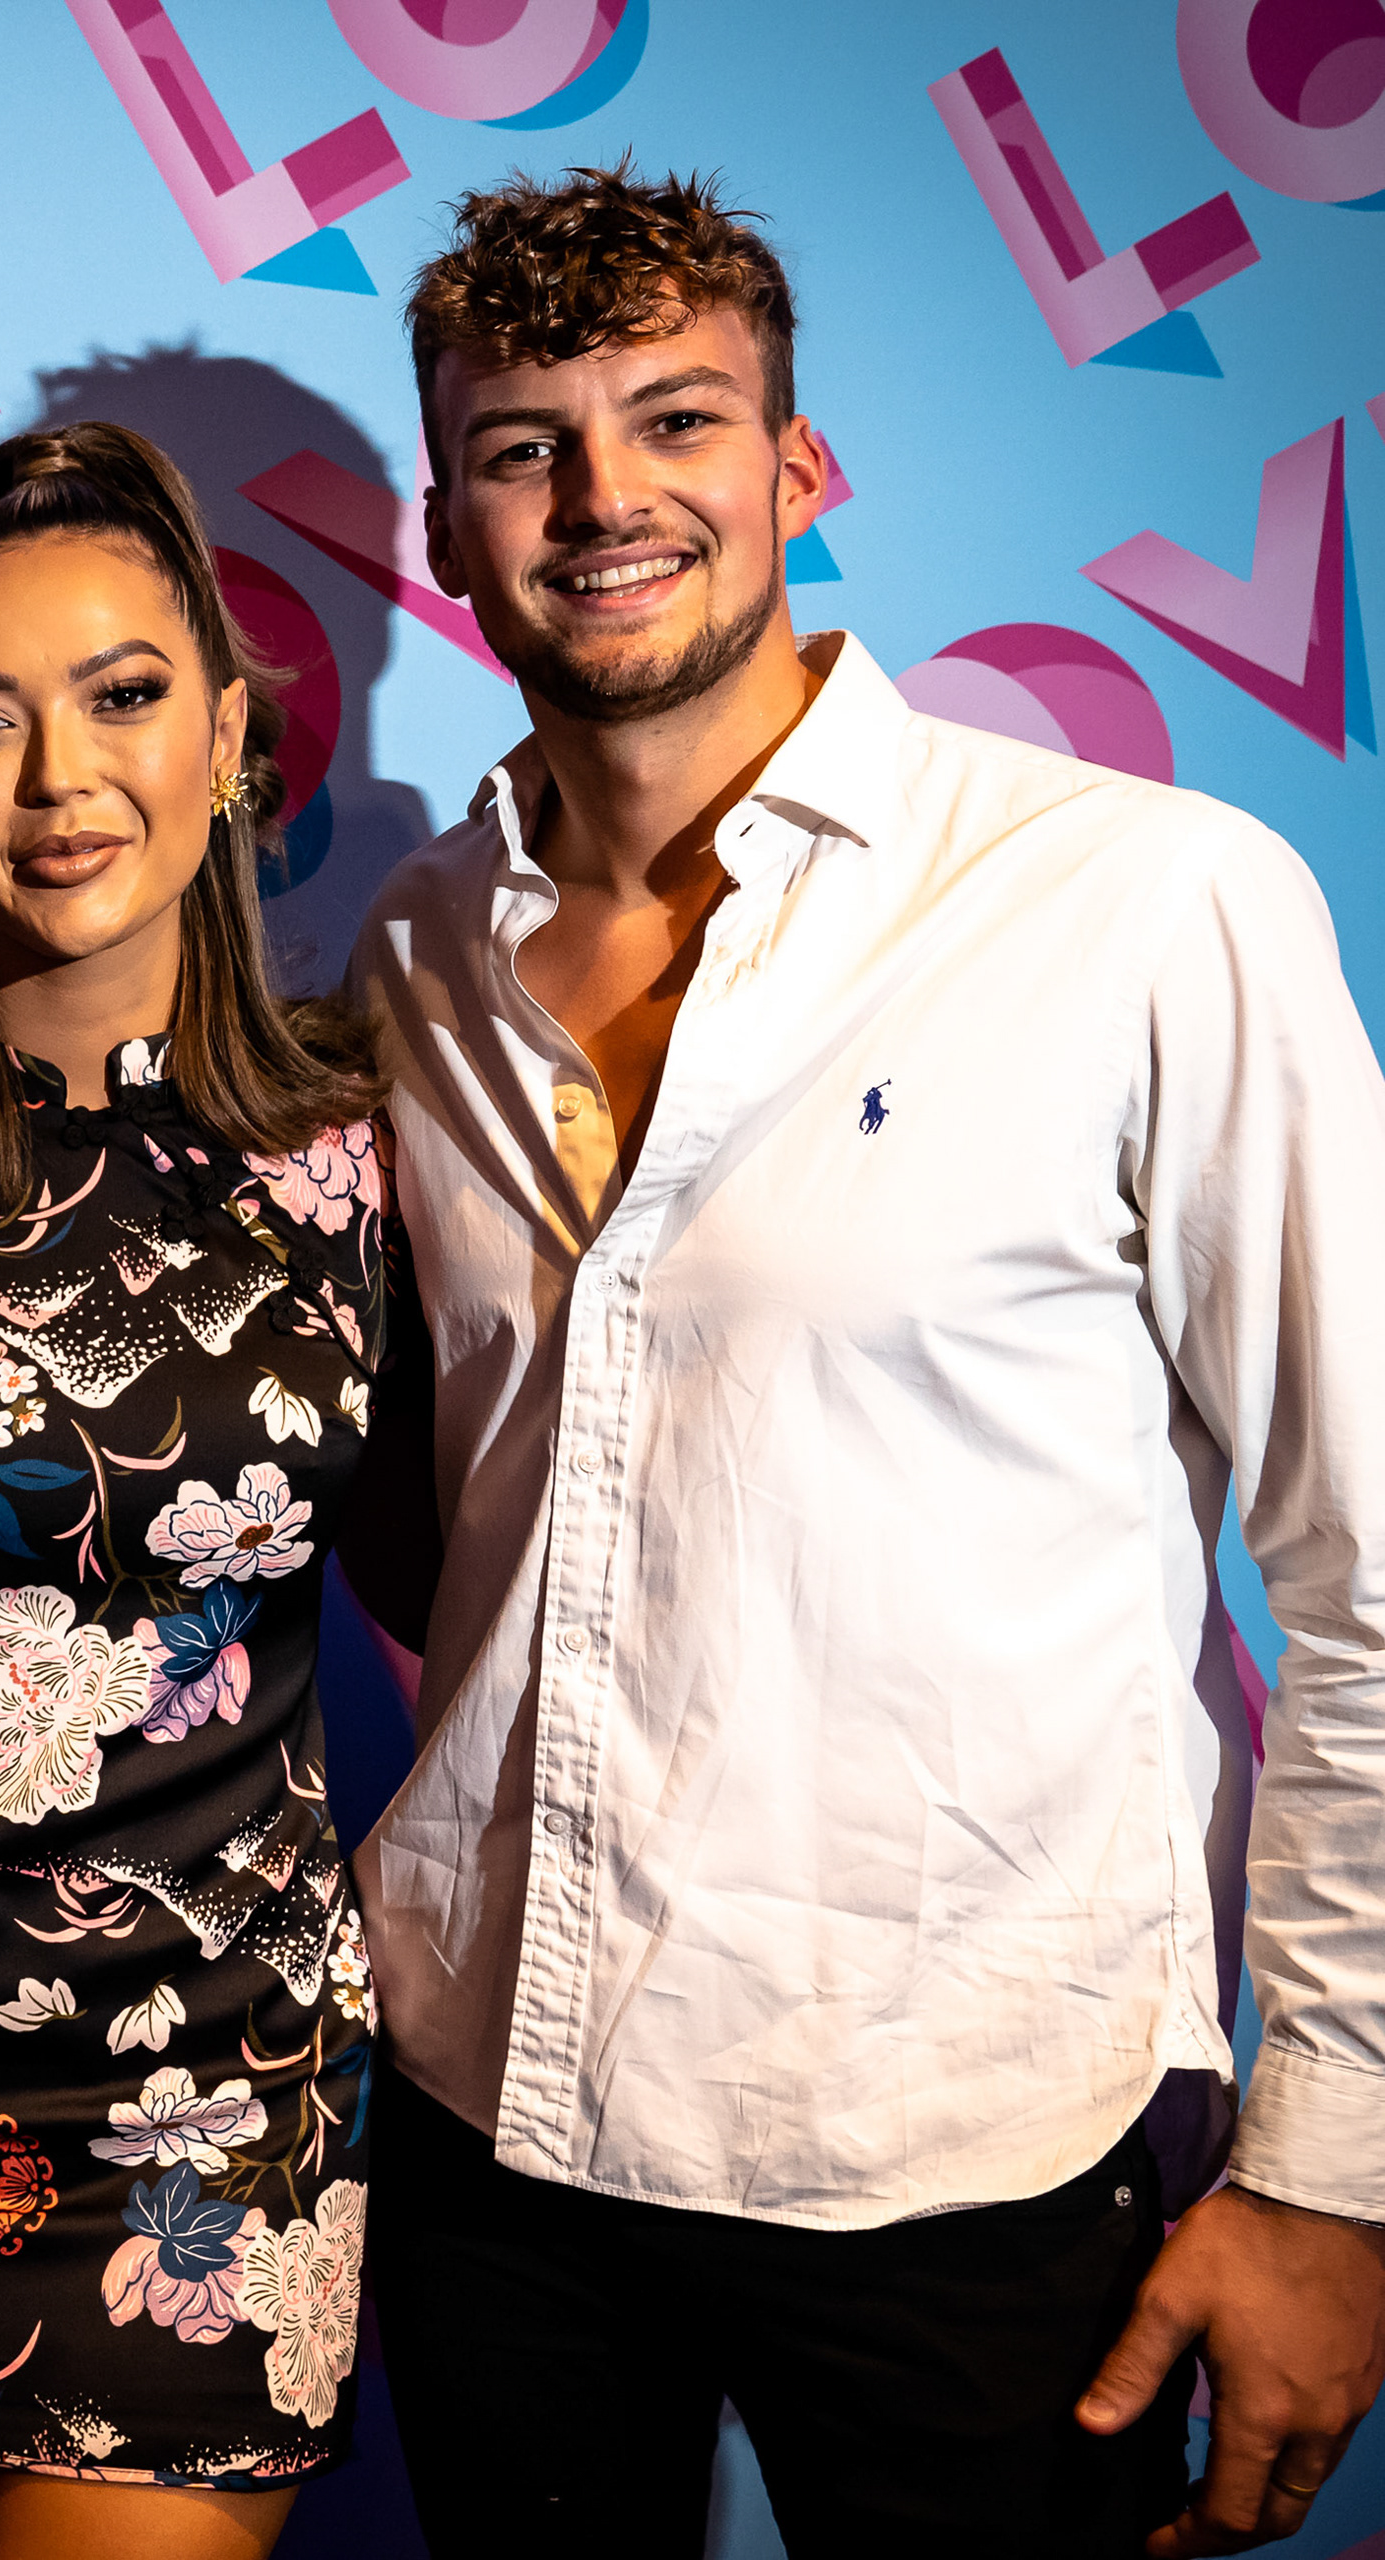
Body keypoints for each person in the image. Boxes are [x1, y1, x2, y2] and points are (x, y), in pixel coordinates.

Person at [349, 163, 1385, 2556]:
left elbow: (1366, 1564)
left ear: (798, 467)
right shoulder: (415, 952)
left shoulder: (1144, 900)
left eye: (676, 419)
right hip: (497, 2113)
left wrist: (1336, 2164)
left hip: (969, 2139)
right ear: (446, 530)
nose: (604, 497)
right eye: (523, 447)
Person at [0, 425, 403, 2560]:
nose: (58, 776)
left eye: (122, 693)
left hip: (209, 2125)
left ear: (230, 736)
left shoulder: (365, 1150)